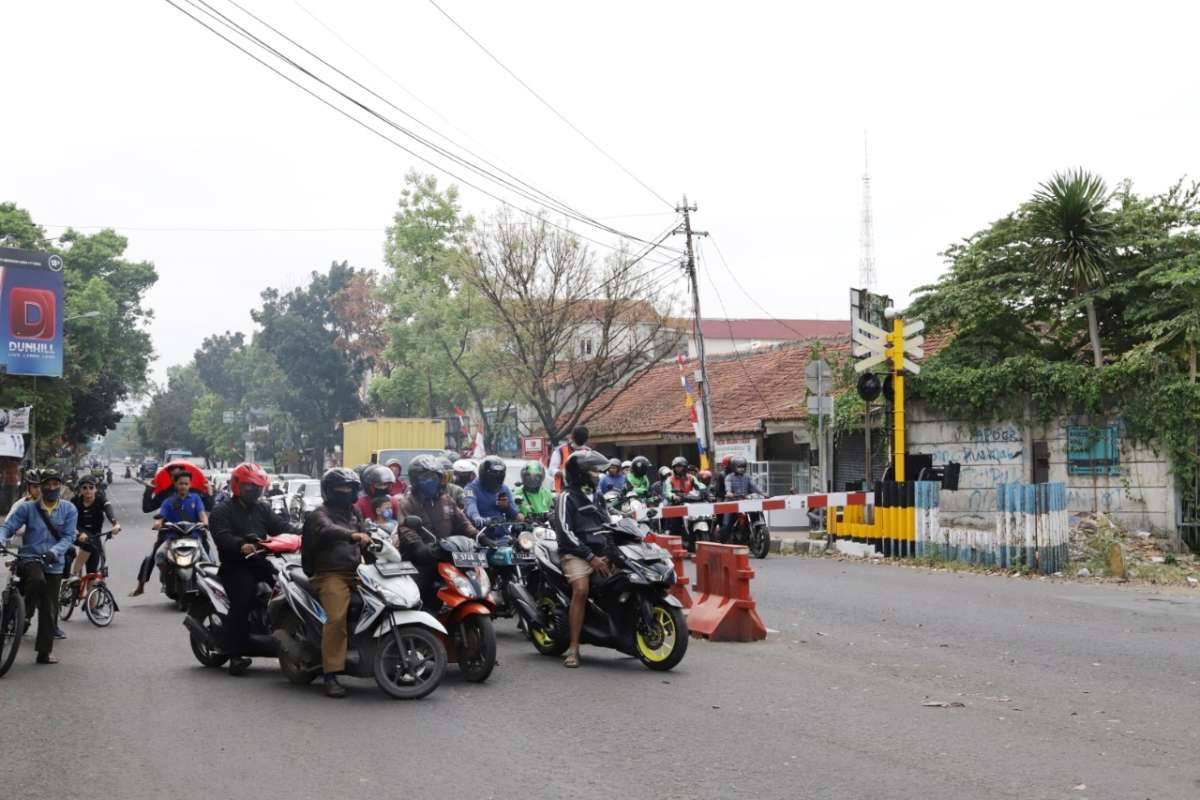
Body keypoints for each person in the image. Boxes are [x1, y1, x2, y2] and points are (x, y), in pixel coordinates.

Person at [209, 462, 290, 676]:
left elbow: (281, 528)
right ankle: (235, 654)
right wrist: (240, 545)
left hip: (264, 563)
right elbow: (222, 536)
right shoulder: (222, 510)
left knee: (289, 589)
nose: (254, 491)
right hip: (236, 566)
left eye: (257, 487)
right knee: (242, 600)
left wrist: (305, 531)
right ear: (237, 486)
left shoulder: (262, 508)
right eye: (249, 487)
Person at [302, 467, 373, 698]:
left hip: (356, 572)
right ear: (329, 491)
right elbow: (327, 530)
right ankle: (330, 674)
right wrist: (352, 535)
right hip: (329, 573)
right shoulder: (319, 514)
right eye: (341, 488)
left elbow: (365, 537)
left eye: (350, 488)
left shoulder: (355, 512)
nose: (346, 492)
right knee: (336, 619)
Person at [0, 467, 77, 664]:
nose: (51, 487)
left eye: (55, 484)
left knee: (50, 611)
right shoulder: (26, 508)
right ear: (40, 487)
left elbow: (69, 537)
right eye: (47, 485)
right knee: (36, 579)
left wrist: (55, 551)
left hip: (54, 562)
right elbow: (8, 527)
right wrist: (1, 539)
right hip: (30, 558)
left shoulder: (69, 509)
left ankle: (44, 653)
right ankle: (22, 611)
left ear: (59, 486)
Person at [550, 450, 612, 669]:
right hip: (576, 554)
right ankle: (574, 648)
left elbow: (609, 522)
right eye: (593, 471)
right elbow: (565, 533)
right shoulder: (566, 497)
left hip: (601, 551)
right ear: (580, 473)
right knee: (581, 590)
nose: (597, 475)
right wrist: (590, 557)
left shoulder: (597, 495)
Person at [394, 455, 479, 606]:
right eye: (427, 478)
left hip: (447, 554)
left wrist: (480, 536)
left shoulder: (447, 499)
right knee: (415, 597)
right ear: (416, 480)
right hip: (420, 559)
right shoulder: (408, 503)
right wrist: (420, 548)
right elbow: (407, 532)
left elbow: (463, 523)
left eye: (435, 477)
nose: (432, 481)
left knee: (474, 579)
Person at [131, 469, 209, 597]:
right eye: (180, 483)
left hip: (194, 537)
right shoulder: (167, 500)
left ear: (190, 484)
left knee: (208, 560)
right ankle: (145, 584)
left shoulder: (196, 497)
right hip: (171, 537)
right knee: (157, 556)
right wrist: (158, 523)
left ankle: (210, 588)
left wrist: (205, 523)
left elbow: (202, 514)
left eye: (186, 483)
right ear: (174, 482)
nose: (183, 486)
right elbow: (159, 515)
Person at [68, 474, 121, 580]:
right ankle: (74, 575)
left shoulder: (100, 499)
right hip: (77, 532)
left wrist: (115, 523)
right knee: (88, 545)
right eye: (84, 488)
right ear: (80, 490)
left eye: (91, 487)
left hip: (95, 535)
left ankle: (91, 594)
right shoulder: (75, 501)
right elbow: (69, 521)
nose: (88, 490)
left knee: (95, 567)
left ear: (95, 488)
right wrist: (78, 533)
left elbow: (108, 509)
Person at [464, 455, 520, 532]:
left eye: (498, 478)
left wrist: (507, 507)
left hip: (503, 535)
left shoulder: (504, 488)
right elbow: (470, 505)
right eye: (492, 478)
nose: (495, 481)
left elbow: (516, 514)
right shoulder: (470, 488)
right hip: (480, 535)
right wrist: (477, 518)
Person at [719, 456, 765, 543]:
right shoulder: (729, 477)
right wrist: (729, 492)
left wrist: (763, 494)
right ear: (733, 467)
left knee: (755, 514)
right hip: (731, 503)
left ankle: (751, 534)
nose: (742, 469)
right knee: (726, 524)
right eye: (739, 467)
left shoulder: (747, 477)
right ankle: (724, 543)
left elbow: (754, 486)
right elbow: (728, 487)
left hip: (745, 502)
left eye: (743, 467)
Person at [660, 457, 707, 536]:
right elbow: (667, 491)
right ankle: (673, 539)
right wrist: (673, 496)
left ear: (685, 467)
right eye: (676, 467)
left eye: (680, 466)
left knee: (707, 516)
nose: (678, 468)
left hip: (691, 502)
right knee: (675, 526)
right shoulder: (669, 479)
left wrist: (705, 490)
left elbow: (699, 485)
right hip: (677, 503)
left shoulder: (691, 477)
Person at [548, 425, 589, 492]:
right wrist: (565, 473)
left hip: (583, 490)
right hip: (563, 490)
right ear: (573, 437)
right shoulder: (560, 451)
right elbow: (551, 470)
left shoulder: (588, 452)